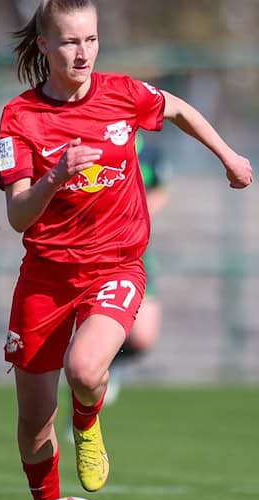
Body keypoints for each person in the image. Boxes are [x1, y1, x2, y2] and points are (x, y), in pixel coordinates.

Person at [0, 1, 252, 500]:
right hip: (45, 276)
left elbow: (178, 109)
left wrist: (228, 156)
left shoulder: (121, 93)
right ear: (44, 45)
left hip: (116, 265)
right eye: (69, 42)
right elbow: (18, 214)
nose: (82, 52)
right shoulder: (20, 117)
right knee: (34, 426)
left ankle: (88, 423)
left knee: (86, 369)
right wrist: (54, 179)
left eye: (91, 39)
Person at [103, 132, 170, 405]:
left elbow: (161, 189)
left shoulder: (149, 153)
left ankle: (108, 363)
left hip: (134, 251)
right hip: (94, 250)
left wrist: (137, 215)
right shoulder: (97, 142)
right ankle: (83, 395)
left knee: (143, 337)